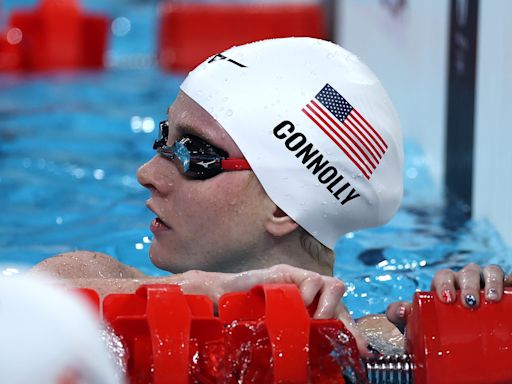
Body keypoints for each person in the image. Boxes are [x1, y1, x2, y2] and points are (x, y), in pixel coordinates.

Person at [31, 37, 508, 356]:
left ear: (284, 206)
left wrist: (475, 317)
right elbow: (22, 305)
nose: (146, 174)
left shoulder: (376, 344)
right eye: (163, 140)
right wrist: (206, 291)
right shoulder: (91, 278)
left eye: (194, 154)